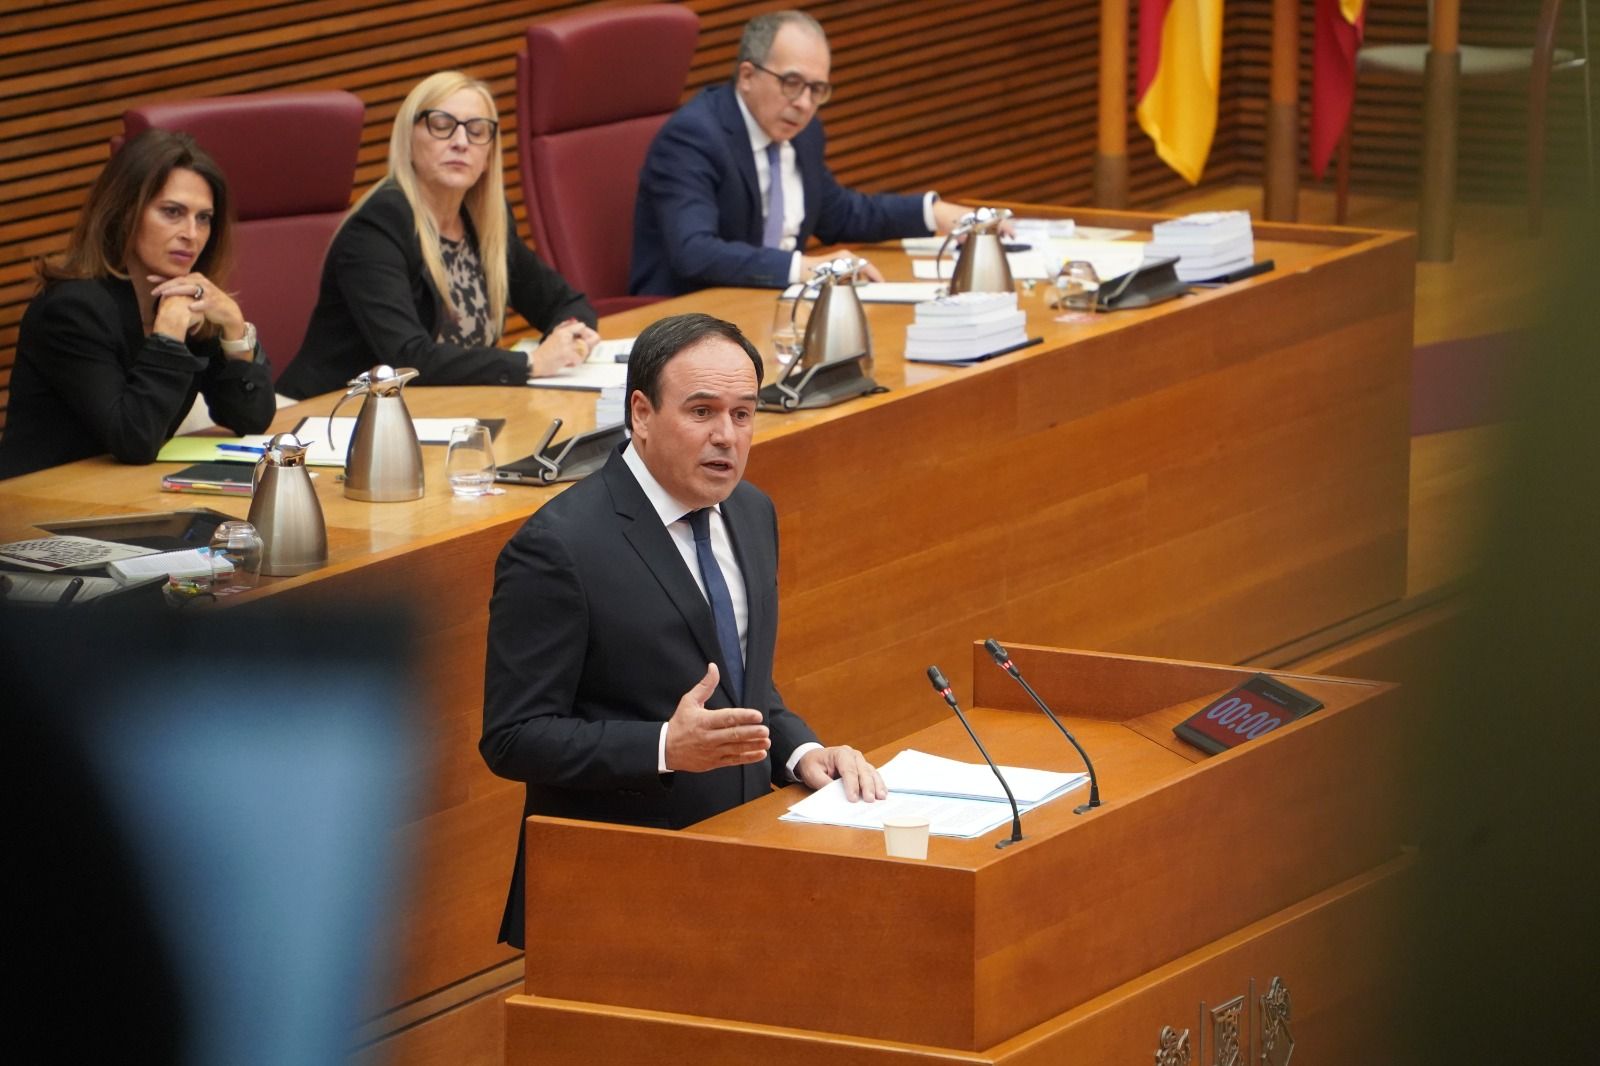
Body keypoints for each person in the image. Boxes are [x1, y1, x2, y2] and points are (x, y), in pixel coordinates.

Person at [481, 312, 885, 948]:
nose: (726, 436)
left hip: (745, 860)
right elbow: (513, 738)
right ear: (641, 413)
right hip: (618, 893)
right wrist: (665, 747)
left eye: (744, 414)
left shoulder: (750, 512)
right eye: (701, 412)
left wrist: (805, 754)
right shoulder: (559, 547)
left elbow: (738, 683)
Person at [278, 71, 600, 400]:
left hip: (436, 410)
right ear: (409, 139)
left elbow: (565, 302)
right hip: (326, 415)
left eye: (477, 131)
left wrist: (572, 334)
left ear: (489, 154)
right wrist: (531, 362)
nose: (461, 142)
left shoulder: (485, 220)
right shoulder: (377, 228)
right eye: (442, 125)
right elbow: (409, 359)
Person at [630, 10, 979, 297]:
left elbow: (838, 214)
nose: (804, 104)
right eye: (792, 83)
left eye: (817, 90)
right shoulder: (694, 137)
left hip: (774, 303)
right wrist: (803, 267)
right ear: (747, 75)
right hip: (687, 320)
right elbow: (694, 253)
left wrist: (932, 213)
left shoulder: (803, 134)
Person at [0, 130, 274, 480]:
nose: (192, 233)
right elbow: (134, 439)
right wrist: (169, 339)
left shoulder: (183, 296)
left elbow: (250, 419)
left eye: (203, 217)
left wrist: (235, 331)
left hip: (126, 496)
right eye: (172, 212)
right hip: (42, 505)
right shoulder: (72, 310)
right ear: (125, 213)